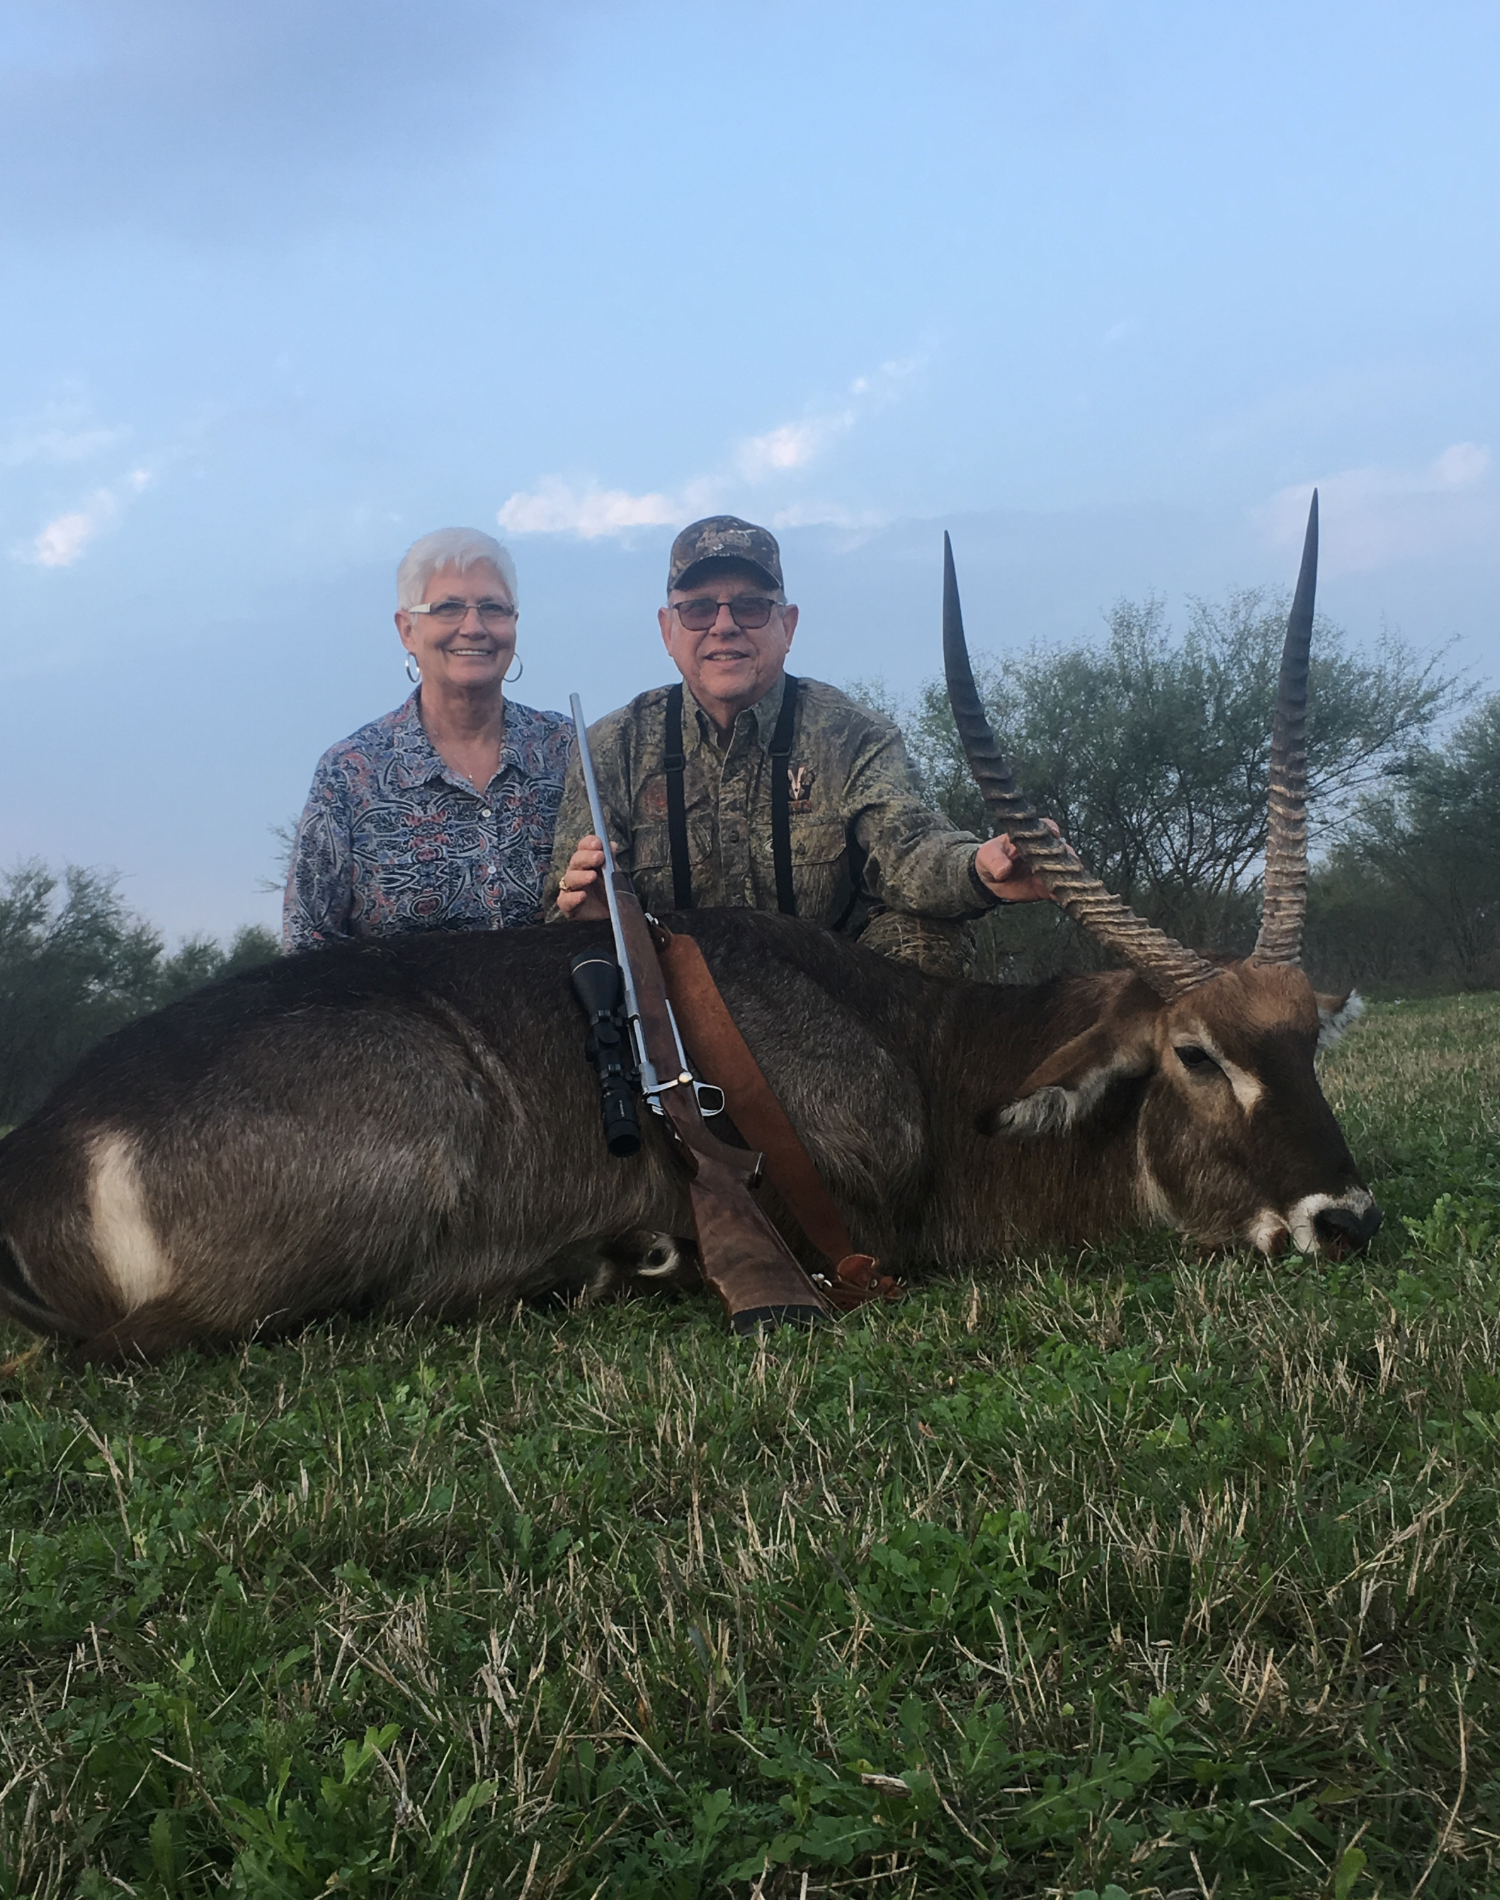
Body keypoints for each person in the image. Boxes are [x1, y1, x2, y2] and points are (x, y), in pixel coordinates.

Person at [547, 515, 1054, 973]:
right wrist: (585, 913)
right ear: (667, 629)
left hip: (832, 1005)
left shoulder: (853, 735)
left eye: (750, 607)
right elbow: (561, 904)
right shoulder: (611, 748)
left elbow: (906, 849)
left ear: (787, 626)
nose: (724, 626)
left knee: (927, 940)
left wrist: (980, 868)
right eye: (699, 609)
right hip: (674, 995)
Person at [284, 528, 572, 951]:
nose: (473, 627)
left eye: (493, 608)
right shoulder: (349, 773)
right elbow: (306, 947)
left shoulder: (569, 751)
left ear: (514, 624)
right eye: (448, 608)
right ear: (407, 630)